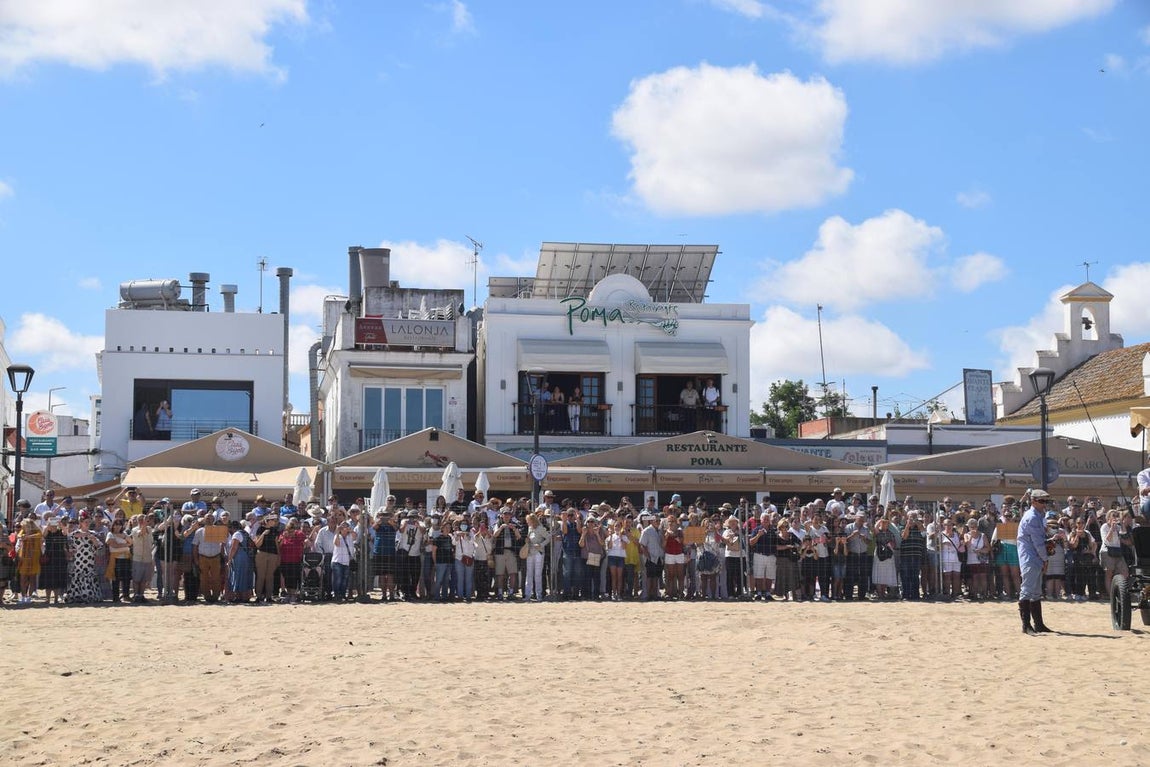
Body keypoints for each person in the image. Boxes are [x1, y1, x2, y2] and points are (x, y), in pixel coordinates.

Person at [1017, 489, 1053, 634]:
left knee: (1036, 592)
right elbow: (1038, 542)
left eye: (1046, 501)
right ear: (1033, 501)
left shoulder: (1038, 516)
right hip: (1030, 557)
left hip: (1035, 557)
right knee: (1026, 591)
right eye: (1041, 501)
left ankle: (1038, 624)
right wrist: (1045, 559)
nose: (1044, 504)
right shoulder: (1032, 517)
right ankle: (1026, 625)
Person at [66, 514, 104, 603]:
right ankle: (77, 595)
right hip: (79, 559)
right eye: (85, 522)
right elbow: (73, 538)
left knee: (89, 575)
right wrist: (87, 534)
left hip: (89, 558)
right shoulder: (76, 533)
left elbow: (99, 546)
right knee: (78, 575)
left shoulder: (93, 533)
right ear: (81, 523)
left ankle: (89, 595)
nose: (87, 524)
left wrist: (94, 540)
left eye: (88, 522)